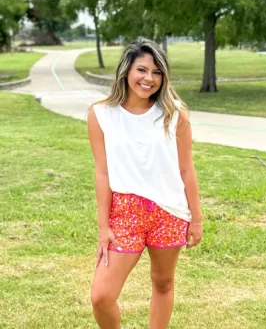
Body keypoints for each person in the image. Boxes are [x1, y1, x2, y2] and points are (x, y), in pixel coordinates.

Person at [87, 37, 203, 329]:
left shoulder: (174, 113)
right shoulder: (101, 114)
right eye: (141, 69)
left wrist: (196, 219)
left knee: (163, 283)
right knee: (101, 296)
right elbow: (102, 173)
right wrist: (104, 227)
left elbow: (186, 170)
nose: (148, 79)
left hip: (169, 211)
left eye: (156, 72)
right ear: (126, 71)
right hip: (125, 212)